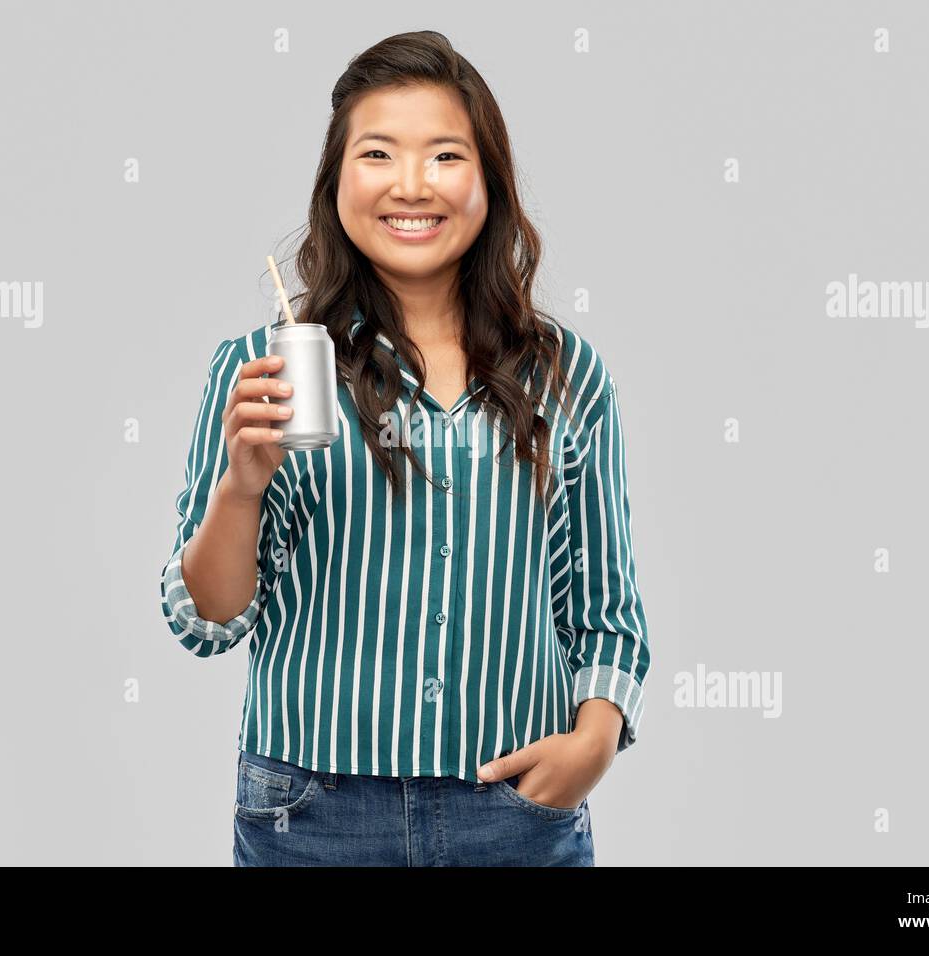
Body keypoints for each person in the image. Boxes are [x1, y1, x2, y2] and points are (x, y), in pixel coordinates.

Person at [159, 31, 650, 866]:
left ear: (487, 182)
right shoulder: (262, 369)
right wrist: (240, 490)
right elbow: (207, 620)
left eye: (446, 156)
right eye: (378, 153)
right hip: (311, 811)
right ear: (338, 181)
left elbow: (605, 612)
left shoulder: (565, 375)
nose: (412, 186)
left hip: (513, 810)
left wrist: (592, 744)